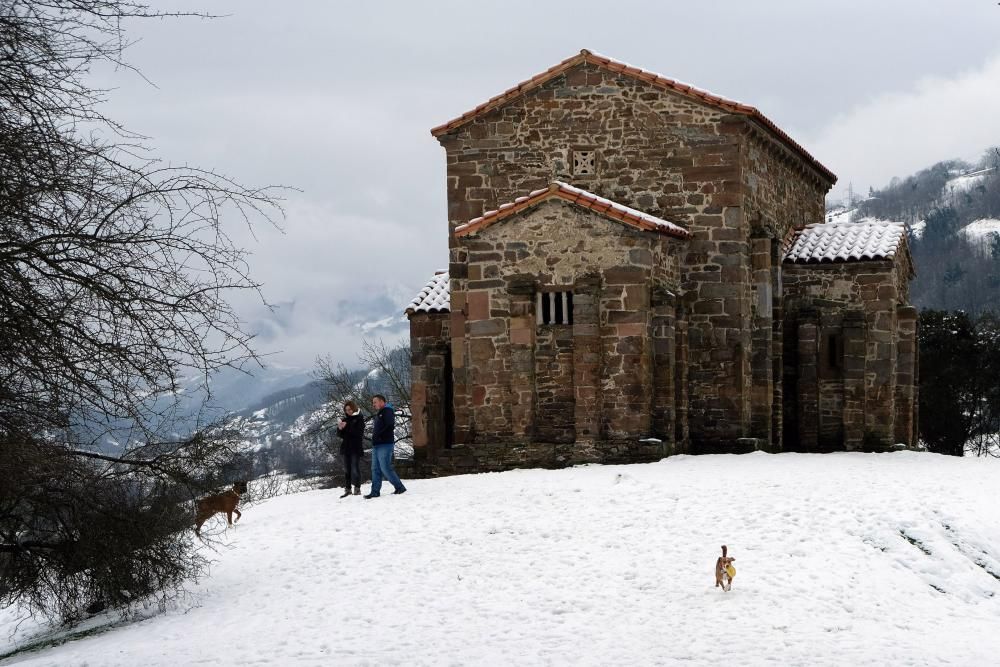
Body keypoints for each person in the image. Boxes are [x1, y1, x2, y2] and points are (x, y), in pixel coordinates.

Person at [364, 394, 406, 498]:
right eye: (373, 403)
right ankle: (375, 492)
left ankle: (400, 487)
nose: (373, 404)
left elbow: (390, 425)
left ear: (382, 401)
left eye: (375, 402)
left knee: (385, 467)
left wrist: (378, 436)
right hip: (377, 445)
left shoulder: (387, 411)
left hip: (385, 444)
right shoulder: (380, 413)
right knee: (375, 469)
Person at [336, 401, 365, 497]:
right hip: (346, 447)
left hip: (355, 447)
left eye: (349, 409)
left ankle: (357, 489)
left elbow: (358, 433)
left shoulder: (359, 419)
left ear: (354, 408)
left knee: (355, 469)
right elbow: (341, 435)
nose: (348, 411)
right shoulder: (345, 419)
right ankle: (348, 489)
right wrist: (340, 429)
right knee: (347, 470)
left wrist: (346, 427)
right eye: (346, 410)